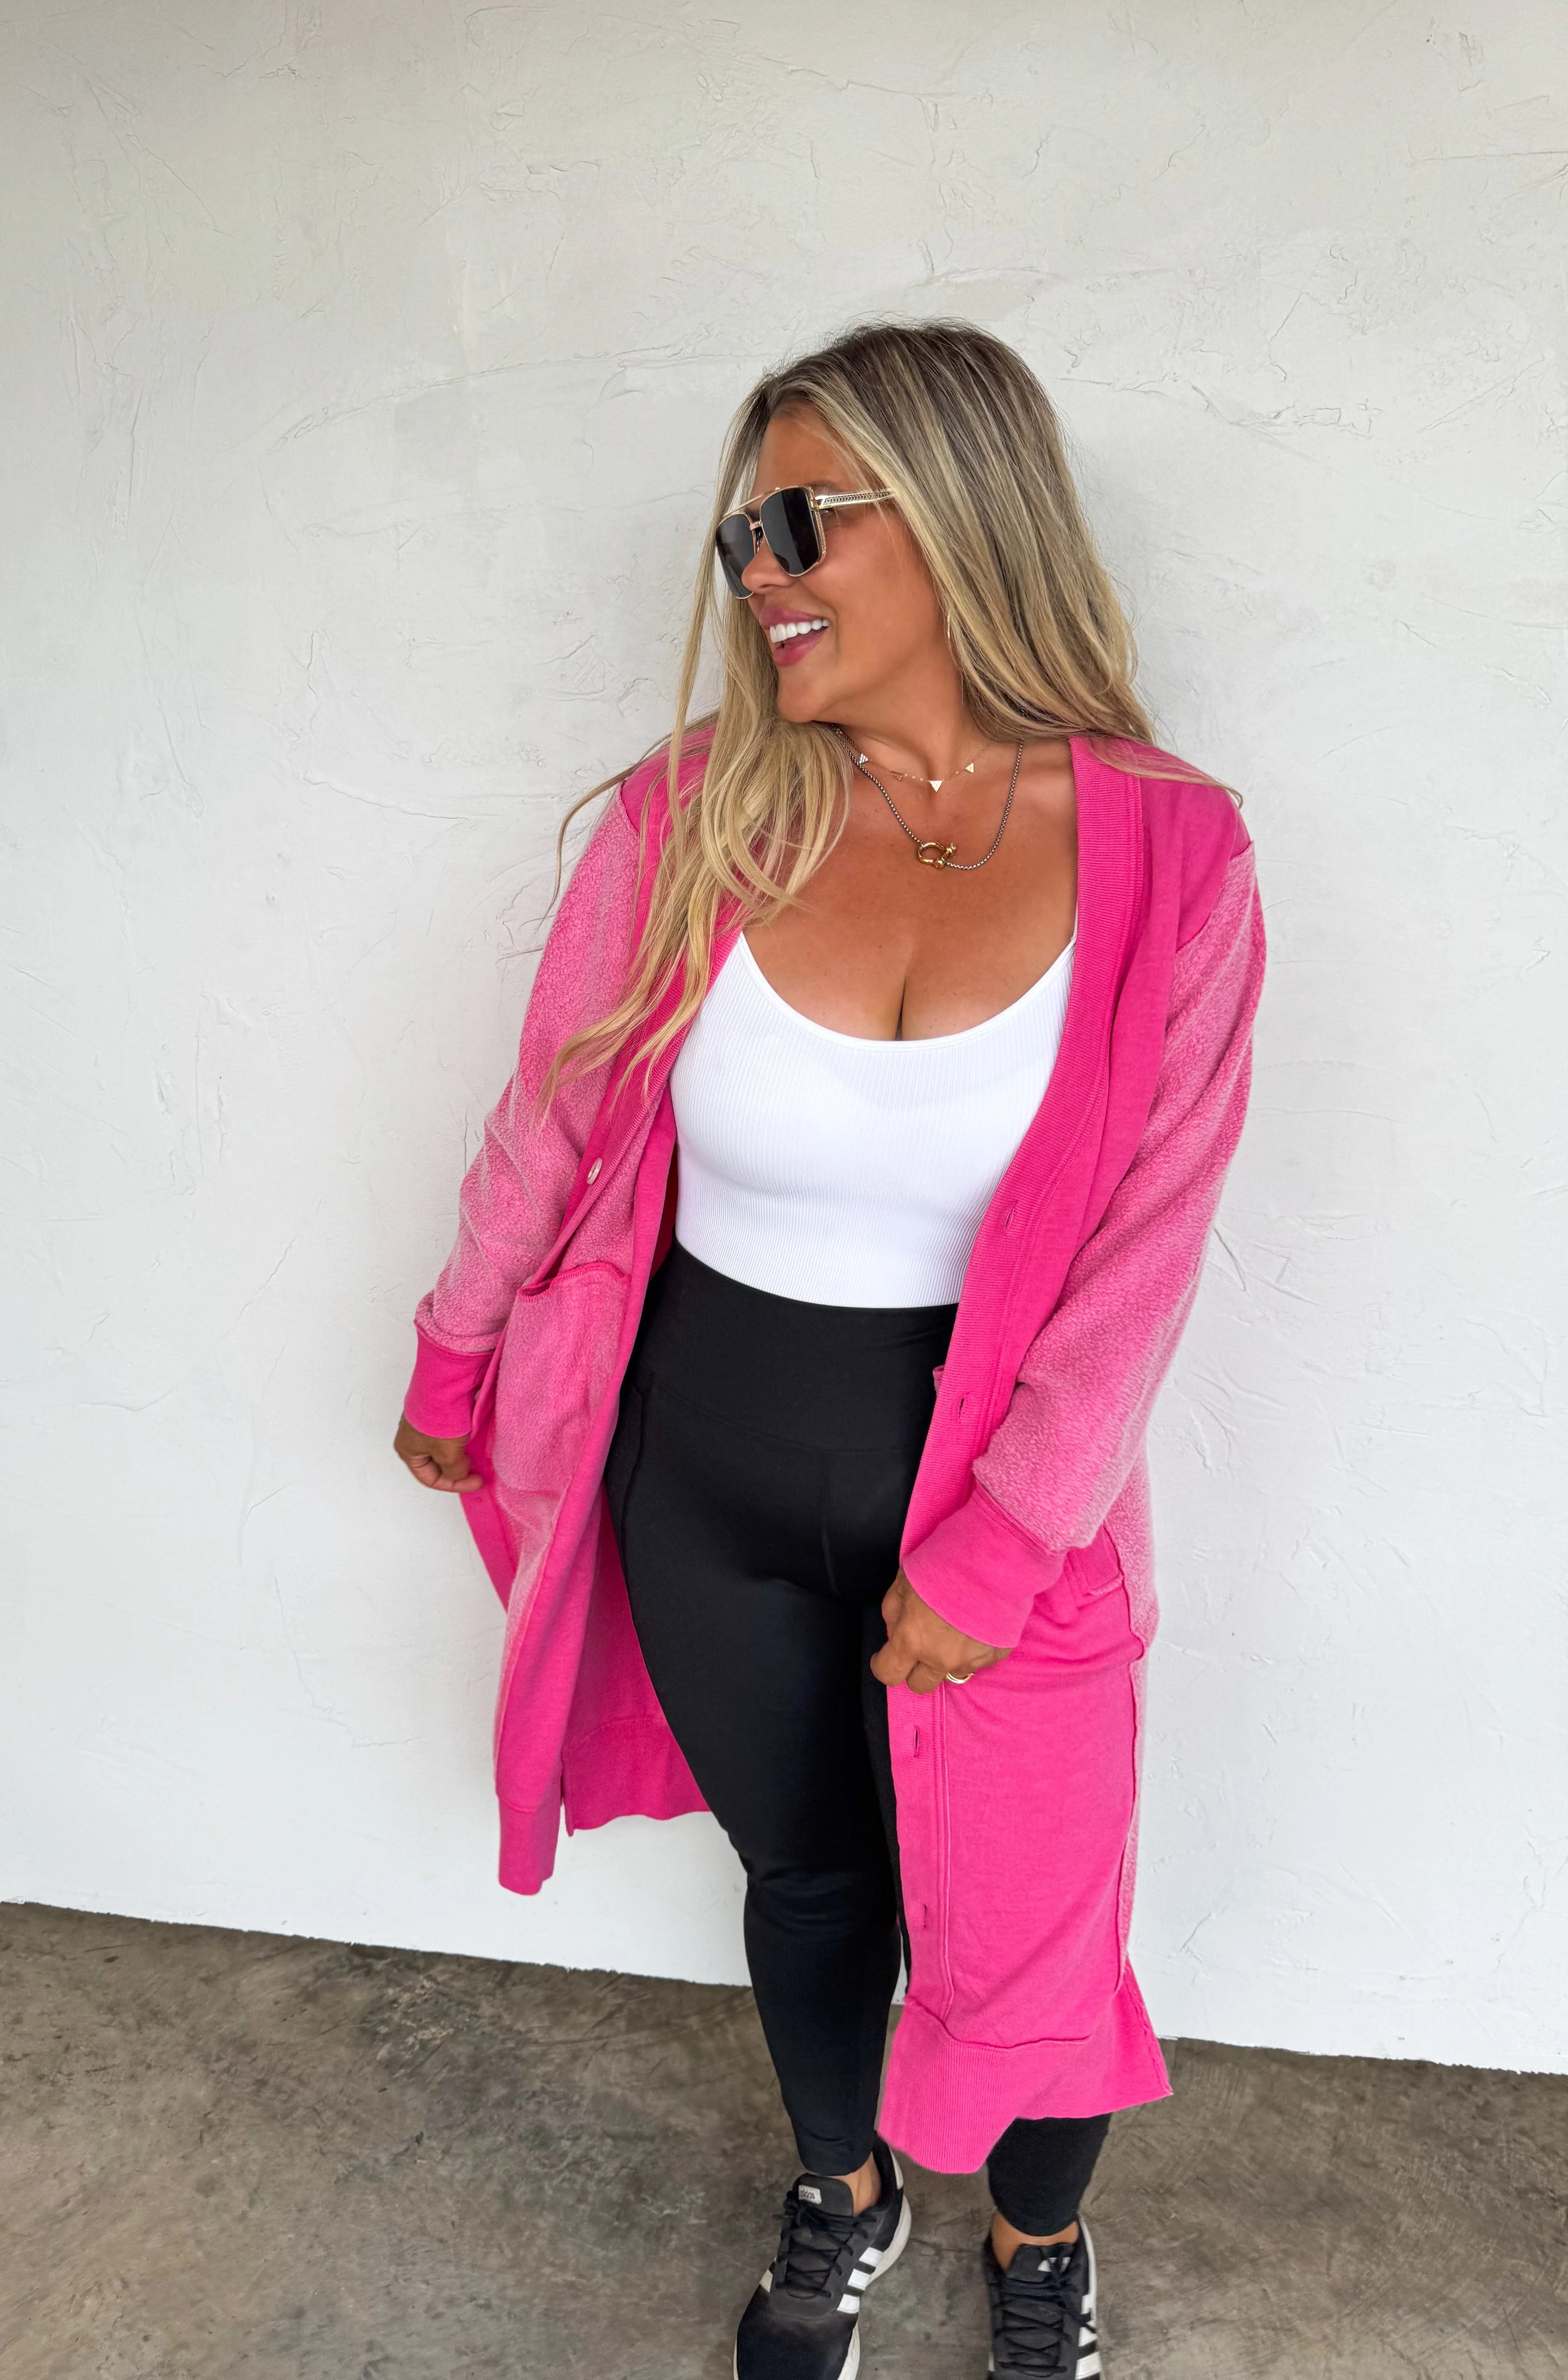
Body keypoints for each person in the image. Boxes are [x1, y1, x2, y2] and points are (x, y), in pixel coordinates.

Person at [394, 317, 1266, 2380]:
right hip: (702, 1460)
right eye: (742, 537)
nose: (760, 573)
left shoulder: (1174, 850)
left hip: (998, 1494)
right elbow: (556, 1112)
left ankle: (1040, 2242)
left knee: (1030, 1934)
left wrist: (999, 1546)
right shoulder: (694, 817)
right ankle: (844, 2189)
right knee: (806, 1876)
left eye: (805, 522)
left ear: (962, 517)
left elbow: (1146, 1251)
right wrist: (456, 1355)